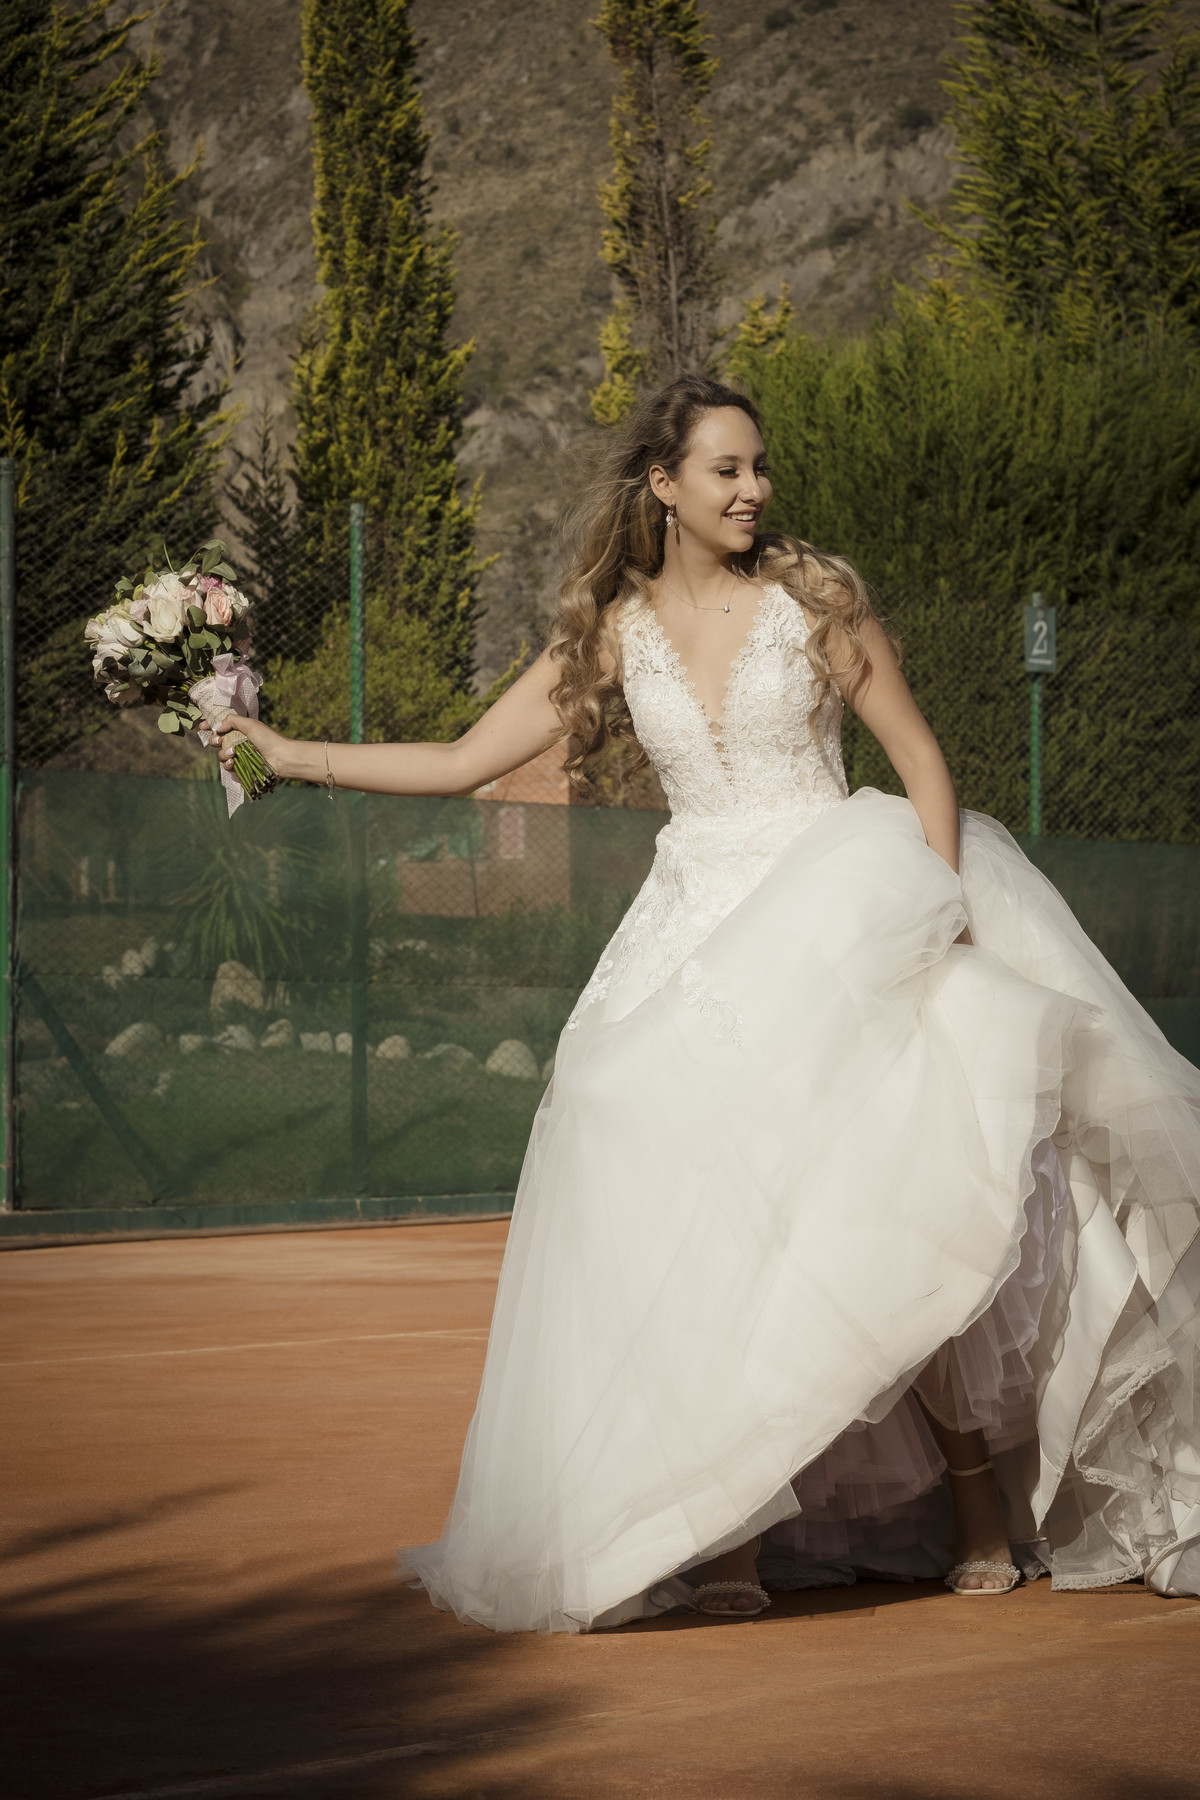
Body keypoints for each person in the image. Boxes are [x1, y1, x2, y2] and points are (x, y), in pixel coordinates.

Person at [213, 375, 1200, 1632]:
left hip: (847, 906)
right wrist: (291, 754)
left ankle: (977, 1508)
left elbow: (920, 758)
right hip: (696, 935)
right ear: (663, 485)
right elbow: (468, 761)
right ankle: (725, 1521)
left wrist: (935, 910)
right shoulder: (610, 633)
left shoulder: (816, 603)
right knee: (656, 1163)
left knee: (893, 1200)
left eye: (761, 467)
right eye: (726, 470)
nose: (754, 490)